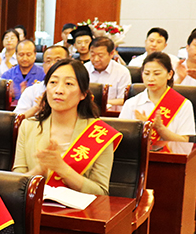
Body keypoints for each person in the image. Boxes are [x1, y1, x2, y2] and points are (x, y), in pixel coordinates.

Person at [13, 59, 118, 195]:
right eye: (53, 82)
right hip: (37, 205)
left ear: (83, 94)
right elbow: (16, 183)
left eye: (69, 84)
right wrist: (39, 170)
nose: (58, 90)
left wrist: (62, 168)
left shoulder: (99, 133)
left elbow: (101, 192)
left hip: (79, 208)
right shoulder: (28, 126)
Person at [120, 53, 196, 143]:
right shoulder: (131, 103)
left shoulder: (183, 104)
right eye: (146, 73)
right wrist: (141, 129)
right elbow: (123, 137)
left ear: (169, 74)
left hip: (169, 152)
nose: (151, 78)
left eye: (157, 74)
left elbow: (183, 142)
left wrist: (160, 128)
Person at [15, 45, 69, 118]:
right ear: (43, 65)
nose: (52, 65)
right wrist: (36, 108)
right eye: (48, 61)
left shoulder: (75, 90)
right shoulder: (32, 91)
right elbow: (16, 120)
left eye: (58, 61)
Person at [86, 37, 134, 107]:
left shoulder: (122, 72)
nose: (96, 59)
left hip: (112, 113)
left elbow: (123, 99)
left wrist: (101, 103)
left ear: (111, 54)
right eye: (92, 55)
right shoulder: (84, 69)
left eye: (100, 56)